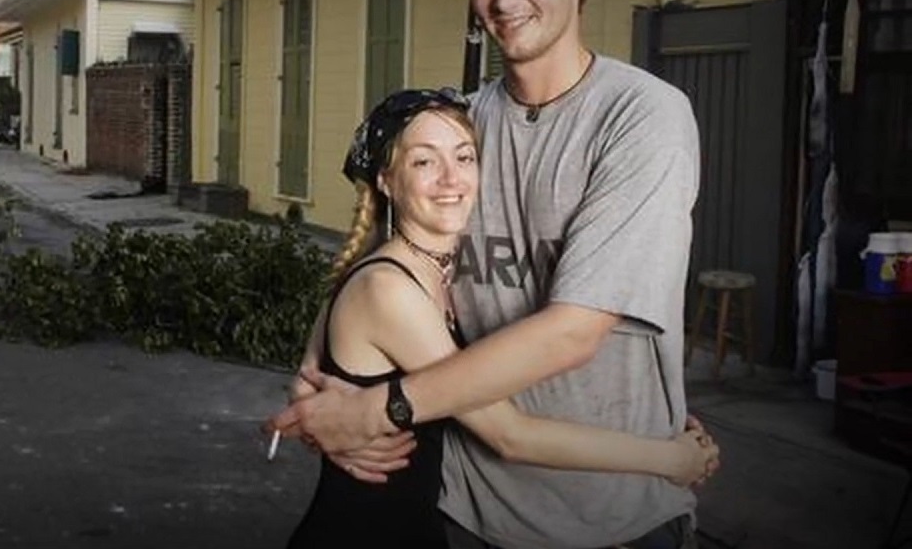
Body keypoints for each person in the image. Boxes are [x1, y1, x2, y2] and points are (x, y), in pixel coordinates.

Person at [270, 0, 710, 549]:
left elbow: (574, 331)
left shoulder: (642, 118)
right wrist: (318, 380)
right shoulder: (462, 131)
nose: (505, 0)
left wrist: (378, 409)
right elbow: (377, 261)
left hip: (616, 515)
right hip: (467, 508)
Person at [283, 88, 717, 549]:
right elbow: (510, 435)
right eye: (424, 162)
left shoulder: (436, 271)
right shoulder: (390, 289)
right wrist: (671, 459)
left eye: (465, 157)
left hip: (416, 522)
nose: (452, 179)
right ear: (388, 180)